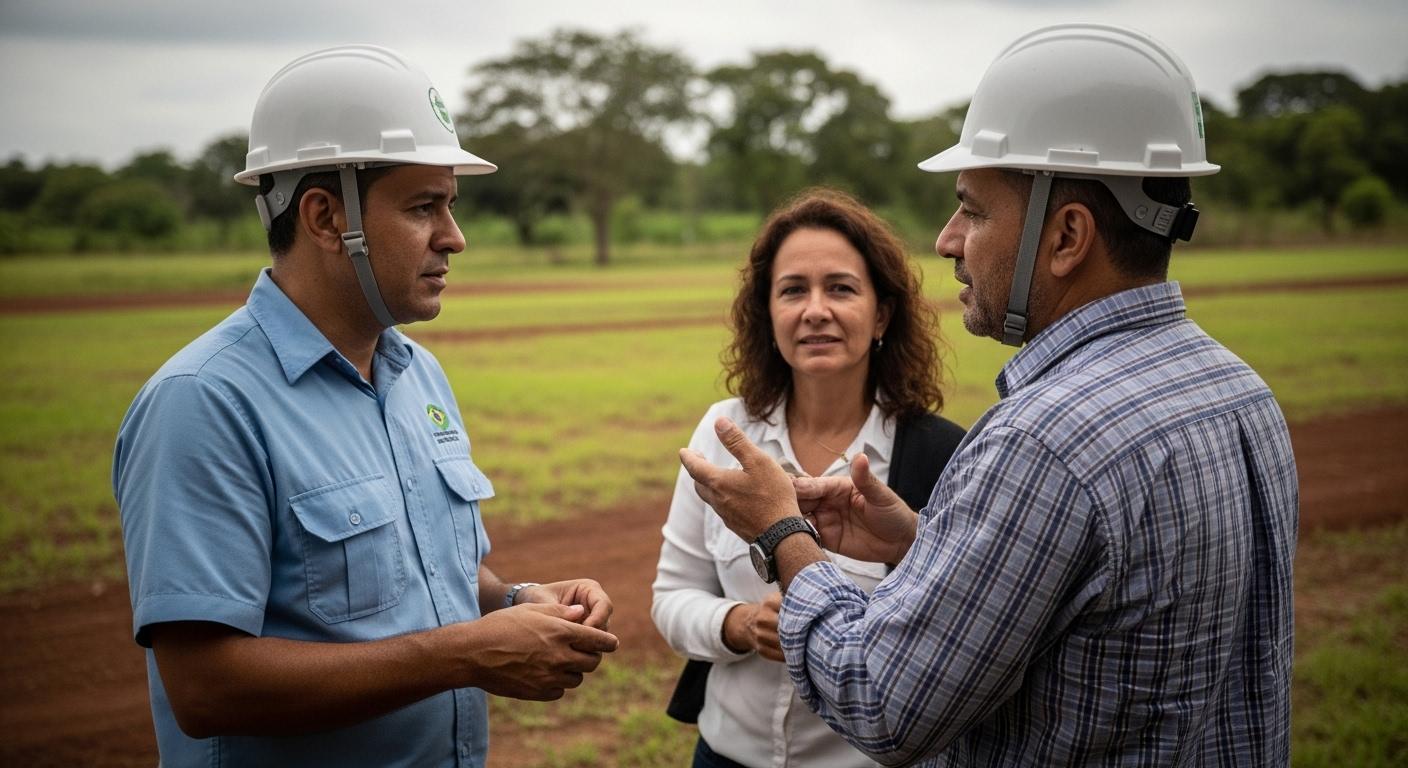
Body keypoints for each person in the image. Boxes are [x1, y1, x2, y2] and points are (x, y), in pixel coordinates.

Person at [681, 23, 1297, 766]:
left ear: (1067, 235)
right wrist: (922, 543)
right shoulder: (1240, 392)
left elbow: (881, 701)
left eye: (972, 209)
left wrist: (784, 533)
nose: (946, 240)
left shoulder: (1045, 439)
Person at [112, 45, 618, 768]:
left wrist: (518, 602)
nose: (455, 237)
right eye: (423, 207)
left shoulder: (418, 374)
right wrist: (460, 656)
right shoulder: (204, 403)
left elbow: (430, 574)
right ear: (325, 217)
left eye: (450, 205)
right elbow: (205, 688)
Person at [652, 189, 966, 767]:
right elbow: (671, 599)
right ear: (767, 313)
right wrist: (740, 624)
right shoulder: (723, 432)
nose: (815, 309)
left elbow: (956, 634)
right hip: (725, 754)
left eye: (841, 288)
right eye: (793, 289)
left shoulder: (942, 454)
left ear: (882, 314)